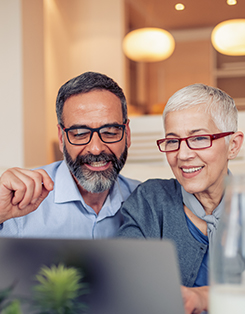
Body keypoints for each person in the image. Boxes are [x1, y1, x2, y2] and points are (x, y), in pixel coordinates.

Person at [117, 84, 245, 314]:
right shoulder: (149, 201)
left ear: (233, 145)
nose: (183, 155)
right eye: (172, 141)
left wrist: (202, 298)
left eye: (200, 138)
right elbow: (126, 280)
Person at [0, 71, 140, 238]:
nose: (96, 148)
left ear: (127, 134)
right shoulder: (18, 201)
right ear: (61, 137)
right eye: (79, 133)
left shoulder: (145, 200)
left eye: (110, 132)